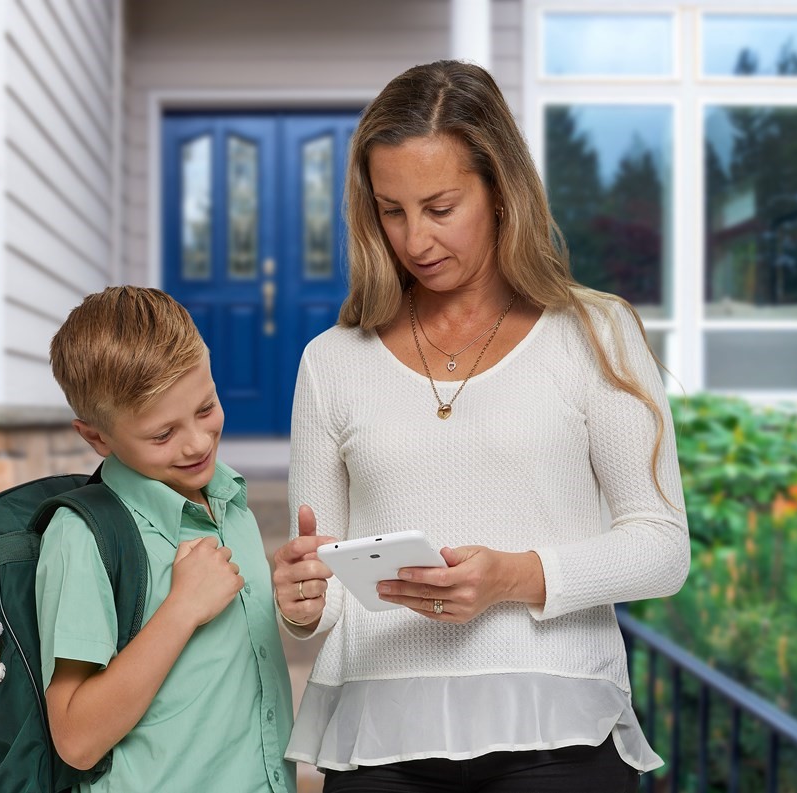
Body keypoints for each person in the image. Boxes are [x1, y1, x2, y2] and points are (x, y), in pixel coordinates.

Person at [272, 61, 690, 792]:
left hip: (557, 725)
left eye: (440, 207)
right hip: (381, 734)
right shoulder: (331, 360)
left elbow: (662, 548)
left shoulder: (596, 333)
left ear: (500, 191)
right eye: (391, 211)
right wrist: (304, 603)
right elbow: (331, 585)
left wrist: (516, 577)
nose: (414, 239)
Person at [40, 285, 296, 793]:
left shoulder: (230, 502)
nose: (198, 444)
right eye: (163, 435)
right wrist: (181, 610)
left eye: (206, 408)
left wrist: (296, 608)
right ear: (96, 437)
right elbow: (75, 738)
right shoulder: (82, 538)